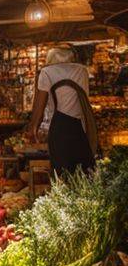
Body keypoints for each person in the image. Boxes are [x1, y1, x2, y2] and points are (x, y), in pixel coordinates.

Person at [28, 46, 96, 177]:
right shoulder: (82, 71)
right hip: (80, 126)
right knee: (82, 170)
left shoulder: (46, 72)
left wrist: (33, 129)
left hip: (59, 127)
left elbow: (39, 107)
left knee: (61, 171)